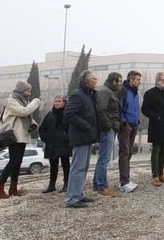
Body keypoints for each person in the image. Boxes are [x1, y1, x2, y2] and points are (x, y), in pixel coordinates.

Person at [0, 81, 42, 199]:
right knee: (14, 161)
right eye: (27, 90)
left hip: (22, 135)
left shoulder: (23, 100)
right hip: (14, 135)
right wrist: (36, 101)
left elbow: (26, 116)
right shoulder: (12, 100)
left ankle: (13, 188)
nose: (29, 93)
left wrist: (33, 124)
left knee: (18, 162)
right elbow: (23, 112)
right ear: (21, 90)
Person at [63, 70, 100, 208]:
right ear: (87, 81)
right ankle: (71, 198)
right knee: (77, 168)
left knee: (83, 167)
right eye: (94, 79)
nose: (96, 81)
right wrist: (87, 126)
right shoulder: (77, 95)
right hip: (80, 136)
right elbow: (69, 114)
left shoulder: (88, 95)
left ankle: (78, 194)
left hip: (87, 136)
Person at [142, 72, 164, 187]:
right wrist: (156, 117)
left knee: (163, 150)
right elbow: (145, 109)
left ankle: (161, 174)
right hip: (156, 125)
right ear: (158, 81)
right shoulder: (150, 93)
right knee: (156, 150)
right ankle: (155, 176)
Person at [93, 72, 122, 197]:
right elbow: (101, 110)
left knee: (103, 158)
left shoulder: (110, 91)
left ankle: (97, 185)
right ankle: (102, 186)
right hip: (107, 129)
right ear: (114, 81)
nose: (120, 84)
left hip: (110, 128)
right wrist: (108, 126)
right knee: (104, 159)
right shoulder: (105, 92)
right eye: (119, 81)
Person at [38, 95, 72, 194]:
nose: (57, 103)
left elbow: (71, 128)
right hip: (52, 145)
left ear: (64, 102)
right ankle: (52, 185)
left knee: (66, 165)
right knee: (53, 166)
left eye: (59, 101)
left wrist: (67, 137)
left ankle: (67, 184)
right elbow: (41, 128)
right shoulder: (50, 114)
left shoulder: (67, 114)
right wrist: (46, 139)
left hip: (64, 144)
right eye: (55, 101)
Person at [118, 70, 141, 193]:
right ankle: (124, 182)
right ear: (131, 80)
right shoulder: (123, 90)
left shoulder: (134, 92)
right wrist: (124, 122)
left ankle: (125, 179)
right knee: (124, 153)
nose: (139, 82)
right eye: (137, 80)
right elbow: (119, 108)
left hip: (134, 125)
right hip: (125, 126)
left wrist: (137, 121)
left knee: (129, 153)